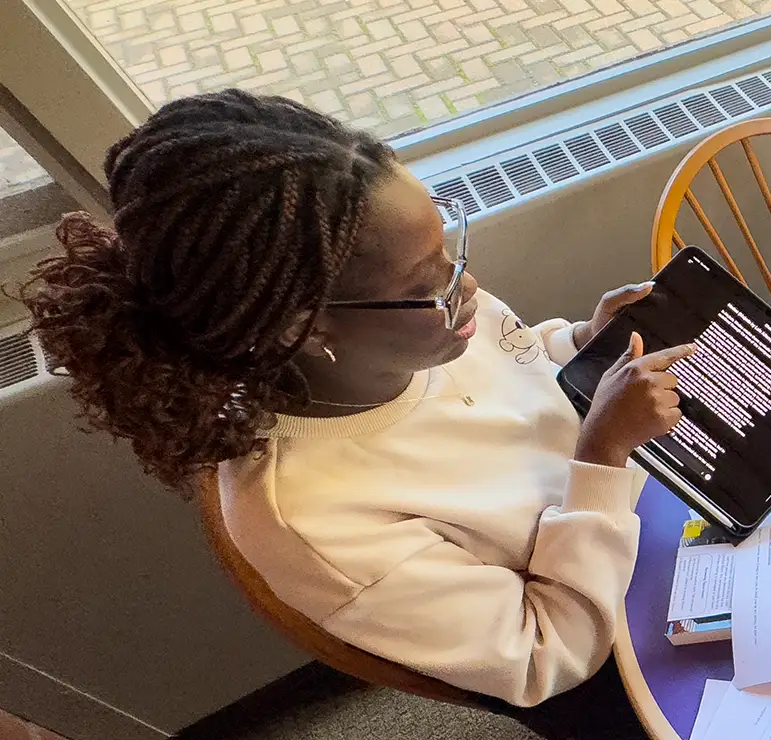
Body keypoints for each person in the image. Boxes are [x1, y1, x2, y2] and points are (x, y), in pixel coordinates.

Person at [22, 90, 695, 739]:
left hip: (660, 519)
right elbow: (549, 656)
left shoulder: (431, 327)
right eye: (424, 284)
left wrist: (582, 345)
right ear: (300, 328)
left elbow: (519, 372)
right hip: (614, 659)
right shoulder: (312, 518)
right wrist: (602, 456)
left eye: (448, 254)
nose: (468, 288)